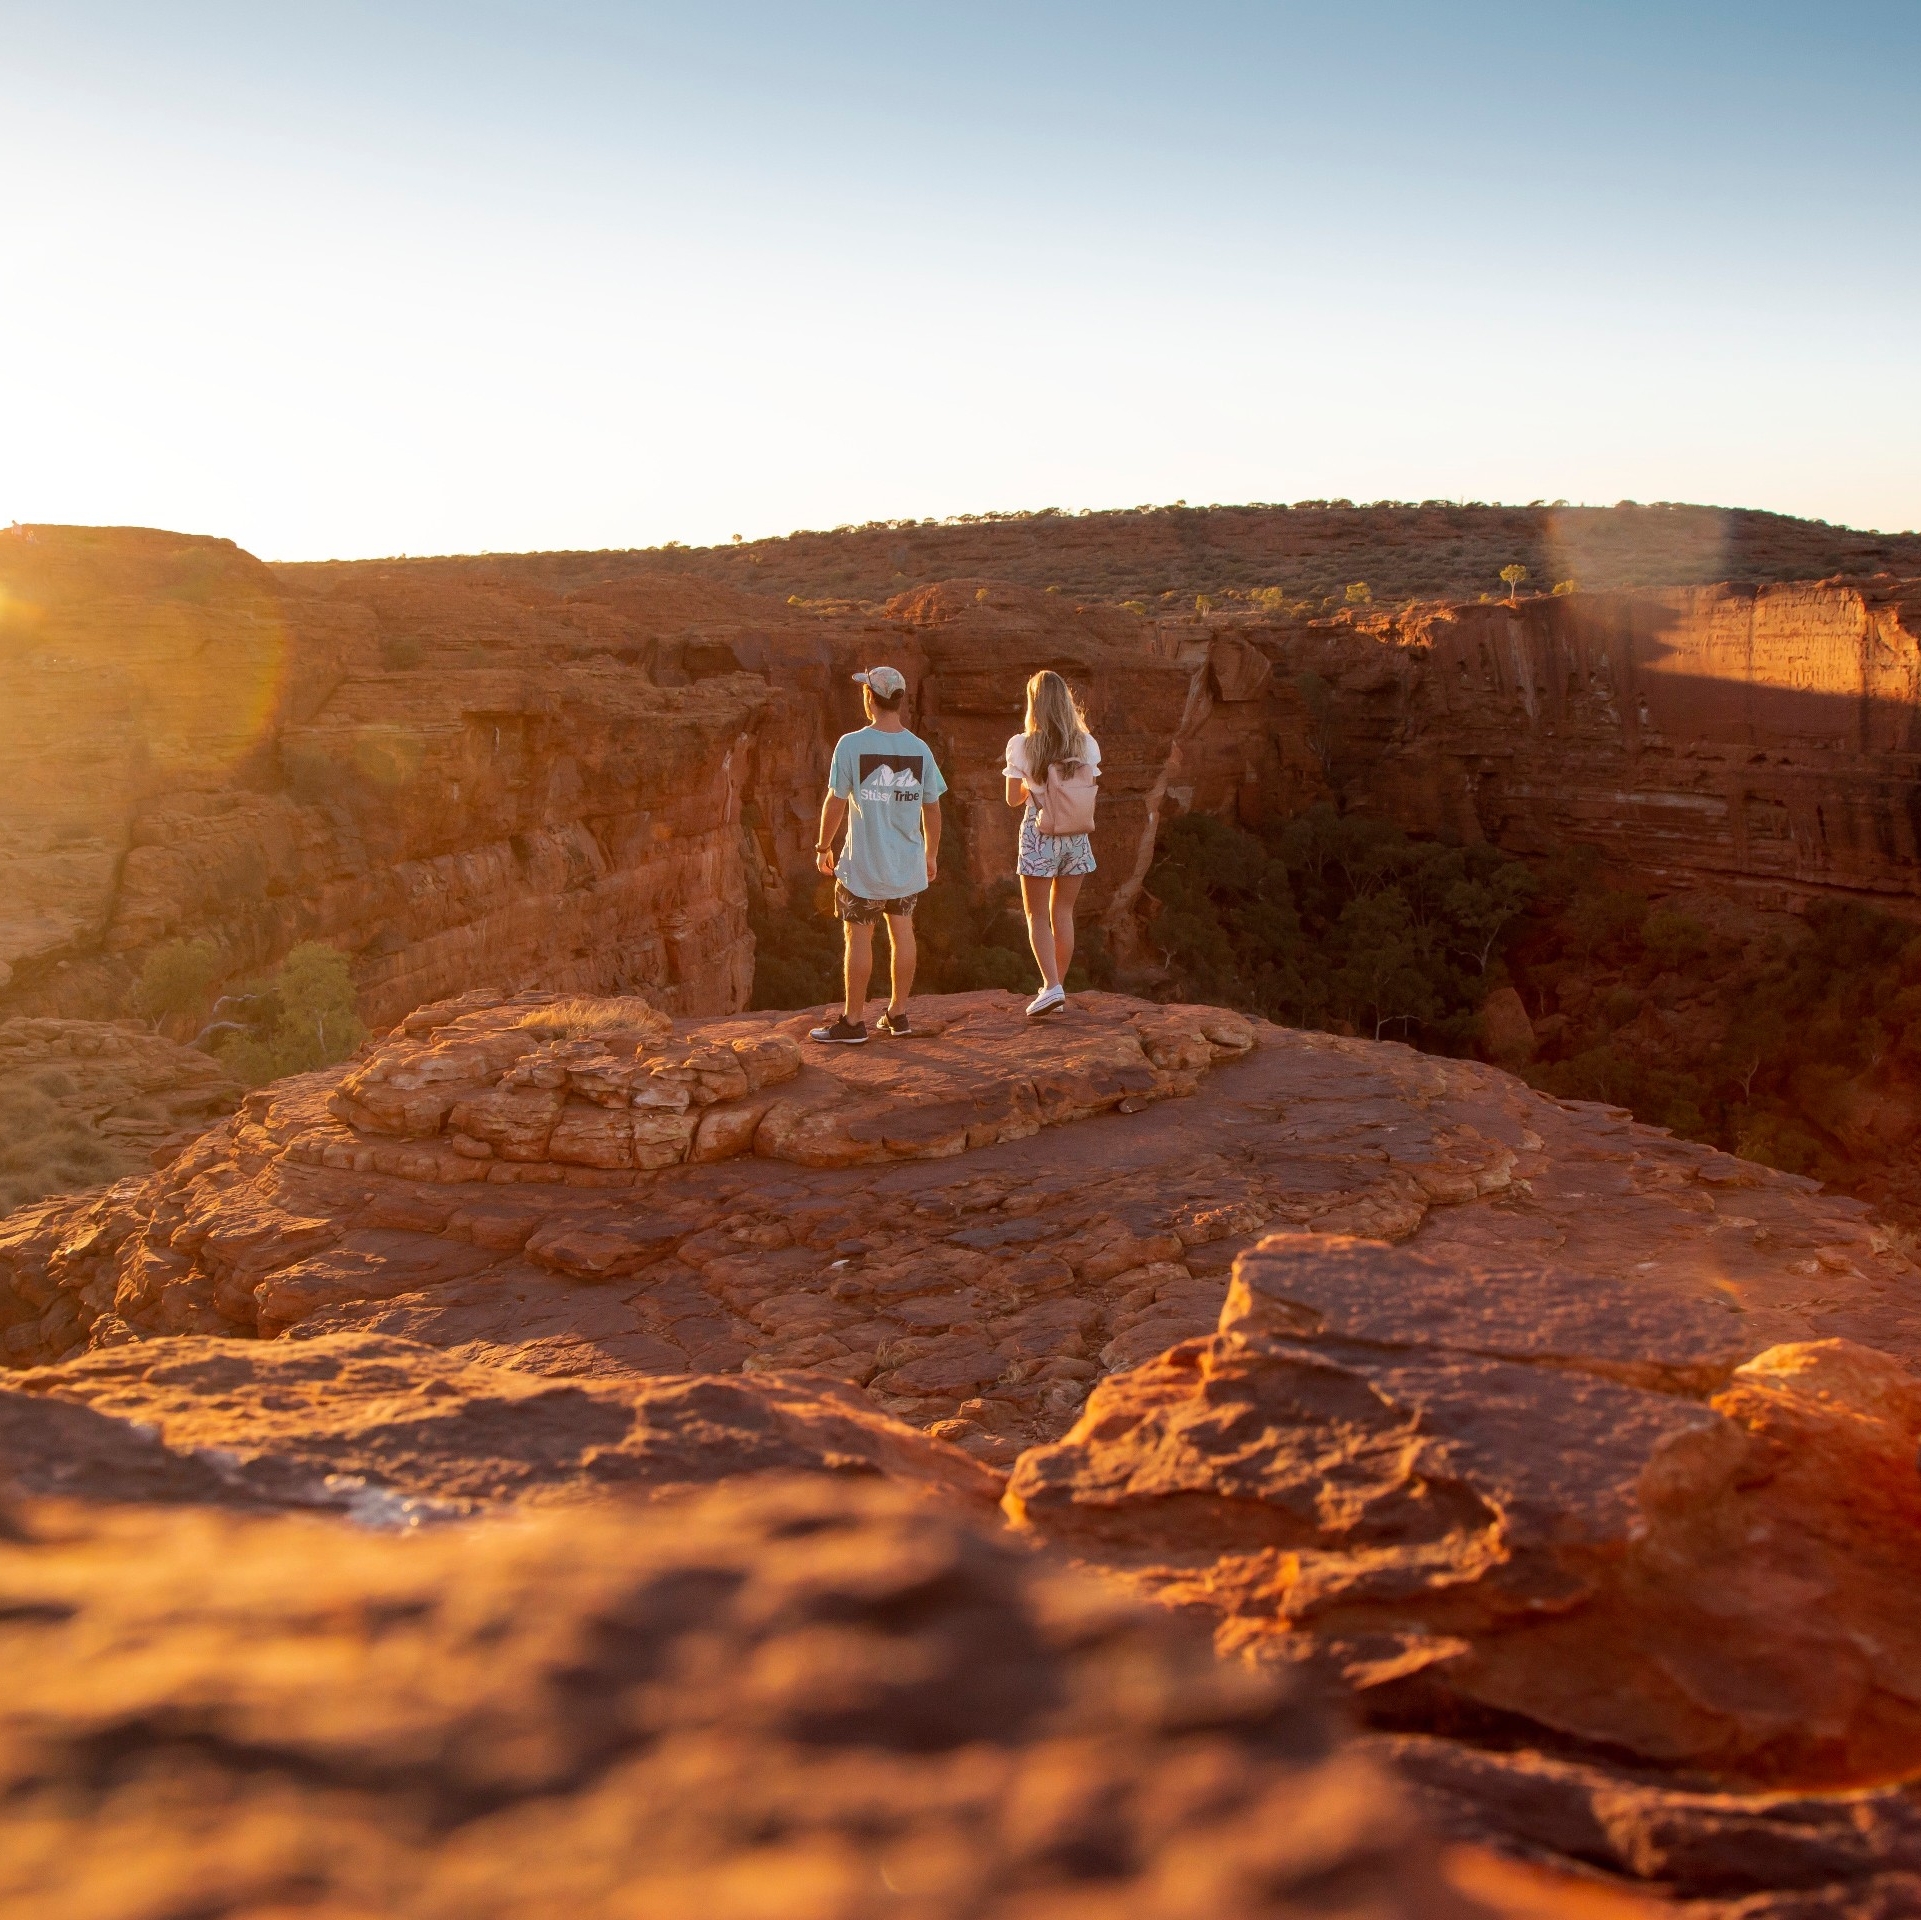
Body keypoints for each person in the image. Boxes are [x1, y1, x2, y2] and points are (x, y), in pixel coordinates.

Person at [809, 665, 946, 1044]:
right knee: (903, 933)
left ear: (870, 698)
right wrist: (931, 855)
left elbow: (835, 800)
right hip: (906, 863)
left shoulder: (851, 744)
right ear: (899, 699)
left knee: (859, 938)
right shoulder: (919, 749)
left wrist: (823, 847)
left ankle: (854, 1023)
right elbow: (932, 807)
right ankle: (898, 1014)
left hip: (863, 866)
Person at [1003, 670, 1099, 1018]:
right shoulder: (1085, 744)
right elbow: (1086, 784)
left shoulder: (1022, 745)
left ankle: (1051, 986)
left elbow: (1014, 799)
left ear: (1035, 704)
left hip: (1039, 833)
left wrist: (1035, 783)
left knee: (1037, 914)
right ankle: (1055, 988)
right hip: (1076, 834)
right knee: (1064, 913)